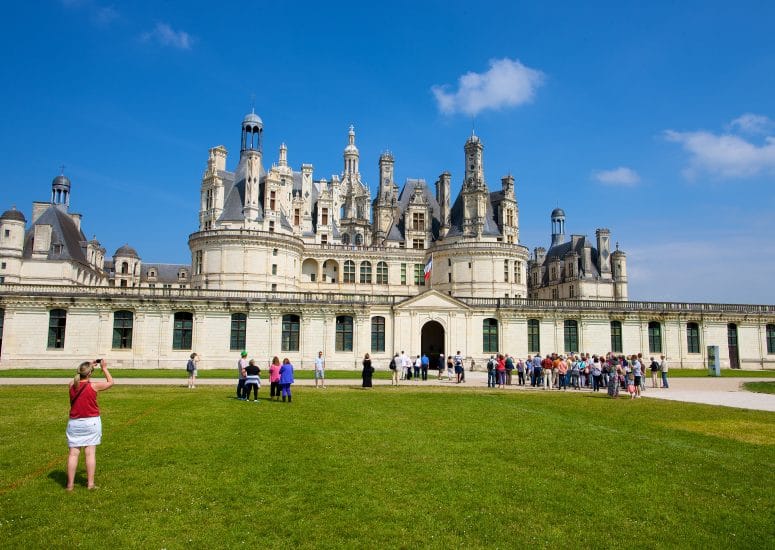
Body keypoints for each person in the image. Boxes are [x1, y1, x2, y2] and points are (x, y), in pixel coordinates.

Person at [66, 359, 114, 491]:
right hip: (91, 422)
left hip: (74, 423)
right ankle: (90, 484)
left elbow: (75, 379)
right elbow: (111, 382)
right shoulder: (93, 386)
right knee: (90, 453)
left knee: (73, 454)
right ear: (90, 373)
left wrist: (88, 366)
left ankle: (70, 485)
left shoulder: (71, 385)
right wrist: (104, 368)